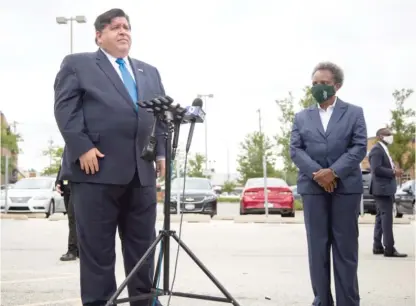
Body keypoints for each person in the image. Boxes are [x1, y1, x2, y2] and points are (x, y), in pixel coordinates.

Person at [53, 8, 166, 306]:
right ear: (99, 35)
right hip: (95, 170)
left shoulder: (149, 72)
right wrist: (82, 147)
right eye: (115, 27)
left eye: (127, 26)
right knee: (99, 252)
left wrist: (162, 152)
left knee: (143, 250)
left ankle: (144, 302)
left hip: (141, 174)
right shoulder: (78, 64)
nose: (123, 31)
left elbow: (161, 117)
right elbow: (65, 109)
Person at [290, 62, 367, 306]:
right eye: (314, 83)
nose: (318, 87)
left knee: (345, 249)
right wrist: (318, 173)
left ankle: (348, 302)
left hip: (345, 189)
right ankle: (322, 301)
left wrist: (333, 172)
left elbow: (359, 147)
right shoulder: (301, 117)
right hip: (313, 190)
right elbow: (295, 149)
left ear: (337, 85)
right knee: (317, 249)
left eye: (323, 83)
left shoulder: (354, 112)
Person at [369, 128, 407, 257]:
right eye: (388, 134)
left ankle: (377, 246)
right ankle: (389, 249)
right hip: (382, 190)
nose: (391, 136)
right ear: (380, 136)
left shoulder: (384, 150)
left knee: (380, 217)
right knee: (386, 219)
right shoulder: (376, 150)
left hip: (386, 188)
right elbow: (376, 169)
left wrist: (394, 169)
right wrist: (393, 172)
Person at [55, 163, 78, 261]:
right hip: (66, 189)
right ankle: (78, 250)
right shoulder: (66, 150)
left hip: (77, 187)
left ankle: (72, 251)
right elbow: (62, 166)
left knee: (73, 219)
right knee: (72, 220)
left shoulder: (79, 147)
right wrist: (58, 182)